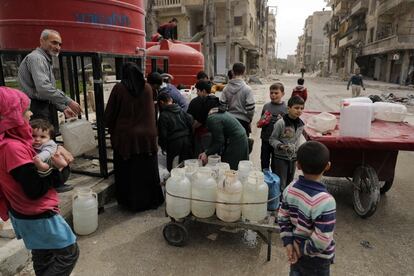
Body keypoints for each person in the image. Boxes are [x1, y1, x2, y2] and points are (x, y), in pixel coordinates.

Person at [0, 86, 79, 276]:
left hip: (22, 212)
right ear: (11, 115)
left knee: (42, 252)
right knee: (69, 253)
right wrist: (58, 169)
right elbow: (34, 189)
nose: (30, 113)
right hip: (35, 213)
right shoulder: (13, 148)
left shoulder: (11, 141)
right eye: (24, 109)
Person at [104, 63, 164, 212]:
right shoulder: (148, 88)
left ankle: (130, 203)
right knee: (147, 171)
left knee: (128, 172)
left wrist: (111, 125)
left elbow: (109, 114)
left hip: (126, 139)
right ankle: (151, 201)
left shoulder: (119, 88)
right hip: (147, 138)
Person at [278, 141, 336, 276]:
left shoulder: (290, 189)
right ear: (327, 166)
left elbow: (282, 217)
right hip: (317, 260)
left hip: (295, 249)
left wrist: (289, 243)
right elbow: (322, 238)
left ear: (298, 165)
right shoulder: (326, 201)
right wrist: (302, 249)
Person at [18, 29, 81, 122]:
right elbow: (44, 88)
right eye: (54, 43)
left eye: (59, 44)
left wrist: (63, 107)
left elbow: (47, 91)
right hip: (35, 108)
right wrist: (69, 101)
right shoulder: (37, 58)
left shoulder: (43, 59)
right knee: (40, 135)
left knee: (45, 135)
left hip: (40, 106)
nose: (58, 47)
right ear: (42, 41)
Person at [269, 96, 305, 191]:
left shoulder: (301, 124)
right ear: (288, 108)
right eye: (296, 108)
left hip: (293, 158)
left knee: (290, 182)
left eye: (301, 108)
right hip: (280, 158)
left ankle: (286, 201)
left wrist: (299, 153)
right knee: (281, 183)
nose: (299, 110)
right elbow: (272, 139)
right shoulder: (280, 123)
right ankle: (279, 202)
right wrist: (280, 146)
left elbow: (298, 140)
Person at [199, 104, 249, 170]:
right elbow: (216, 138)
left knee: (232, 167)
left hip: (237, 141)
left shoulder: (212, 119)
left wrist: (206, 153)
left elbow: (219, 141)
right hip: (237, 137)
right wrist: (207, 152)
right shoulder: (213, 114)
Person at [30, 119, 73, 193]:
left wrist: (39, 158)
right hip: (41, 172)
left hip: (56, 170)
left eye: (42, 137)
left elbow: (47, 152)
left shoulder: (50, 144)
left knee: (54, 162)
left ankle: (58, 185)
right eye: (34, 136)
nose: (37, 139)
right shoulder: (30, 145)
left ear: (50, 138)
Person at [158, 92, 194, 171]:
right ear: (171, 100)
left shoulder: (164, 115)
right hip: (186, 141)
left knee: (173, 168)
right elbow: (190, 121)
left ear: (161, 102)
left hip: (174, 144)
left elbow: (163, 134)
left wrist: (163, 147)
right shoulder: (181, 110)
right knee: (186, 167)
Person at [257, 82, 288, 172]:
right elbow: (260, 123)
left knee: (276, 163)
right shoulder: (266, 106)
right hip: (266, 139)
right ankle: (265, 179)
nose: (273, 95)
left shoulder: (286, 109)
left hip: (278, 141)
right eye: (271, 93)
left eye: (276, 93)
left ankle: (274, 181)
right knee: (264, 161)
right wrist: (263, 121)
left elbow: (288, 128)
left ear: (282, 94)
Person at [220, 62, 255, 136]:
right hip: (243, 123)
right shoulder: (247, 89)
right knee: (242, 146)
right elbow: (250, 109)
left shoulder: (226, 89)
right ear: (244, 72)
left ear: (232, 72)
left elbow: (222, 107)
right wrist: (249, 120)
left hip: (229, 121)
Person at [187, 80, 219, 155]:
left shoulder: (204, 102)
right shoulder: (215, 100)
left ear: (203, 91)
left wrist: (192, 128)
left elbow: (199, 121)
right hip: (214, 134)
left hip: (203, 135)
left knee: (201, 156)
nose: (197, 93)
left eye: (198, 91)